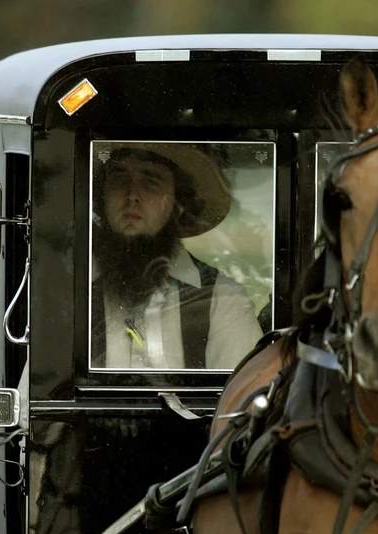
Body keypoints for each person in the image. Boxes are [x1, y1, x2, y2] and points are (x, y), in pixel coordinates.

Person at [91, 141, 265, 370]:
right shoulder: (70, 290)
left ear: (178, 203)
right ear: (101, 197)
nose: (132, 195)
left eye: (150, 182)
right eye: (119, 179)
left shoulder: (220, 298)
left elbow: (243, 396)